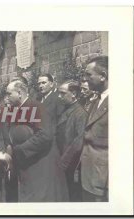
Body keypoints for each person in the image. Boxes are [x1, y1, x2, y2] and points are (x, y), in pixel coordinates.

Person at [5, 80, 68, 202]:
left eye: (9, 93)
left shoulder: (36, 106)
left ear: (19, 93)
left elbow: (45, 135)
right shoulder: (17, 109)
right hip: (28, 164)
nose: (6, 97)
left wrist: (19, 150)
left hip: (41, 164)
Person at [80, 56, 109, 202]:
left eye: (88, 75)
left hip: (103, 182)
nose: (85, 79)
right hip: (88, 178)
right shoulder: (95, 101)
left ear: (103, 76)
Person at [56, 80, 88, 201]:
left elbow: (78, 143)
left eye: (63, 93)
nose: (59, 96)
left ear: (74, 93)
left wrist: (62, 163)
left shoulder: (80, 114)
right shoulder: (66, 109)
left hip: (70, 166)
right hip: (62, 163)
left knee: (72, 198)